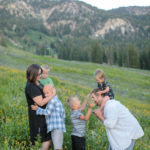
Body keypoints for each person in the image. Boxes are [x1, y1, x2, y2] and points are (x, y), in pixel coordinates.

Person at [25, 64, 55, 150]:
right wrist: (52, 95)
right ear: (32, 75)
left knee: (46, 136)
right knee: (38, 137)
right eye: (38, 74)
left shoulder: (38, 82)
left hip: (43, 114)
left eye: (40, 73)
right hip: (37, 116)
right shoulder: (31, 86)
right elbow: (41, 103)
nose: (40, 76)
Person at [31, 84, 66, 150]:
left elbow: (47, 112)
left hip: (56, 127)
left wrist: (37, 109)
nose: (46, 95)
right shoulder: (54, 100)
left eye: (47, 93)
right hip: (57, 127)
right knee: (57, 145)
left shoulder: (53, 101)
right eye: (44, 94)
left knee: (57, 146)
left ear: (53, 92)